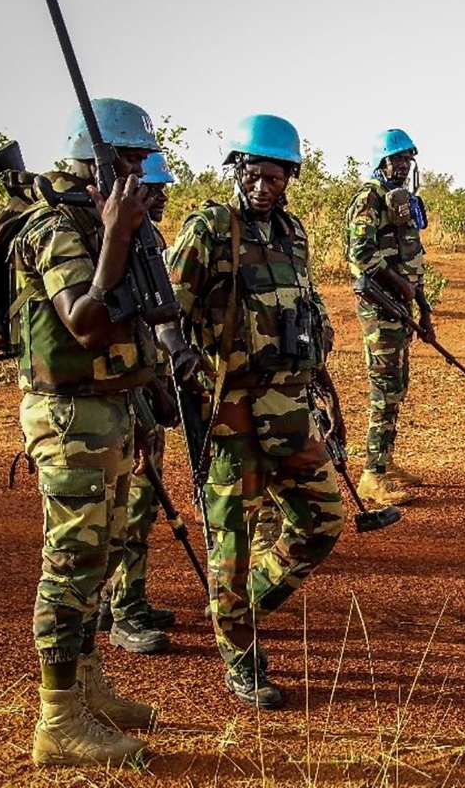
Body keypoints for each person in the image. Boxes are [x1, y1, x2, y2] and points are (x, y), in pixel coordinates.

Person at [158, 114, 345, 709]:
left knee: (322, 521)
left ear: (290, 177)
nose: (265, 184)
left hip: (290, 405)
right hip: (230, 410)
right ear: (237, 170)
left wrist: (324, 381)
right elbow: (165, 310)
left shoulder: (293, 233)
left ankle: (237, 607)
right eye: (254, 172)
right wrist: (181, 354)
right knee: (231, 540)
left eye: (276, 175)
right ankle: (240, 651)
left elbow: (305, 312)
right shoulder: (211, 228)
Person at [11, 97, 160, 766]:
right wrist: (118, 234)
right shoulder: (54, 226)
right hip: (69, 414)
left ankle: (88, 684)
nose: (139, 172)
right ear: (93, 158)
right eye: (128, 159)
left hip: (107, 411)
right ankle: (57, 720)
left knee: (99, 560)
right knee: (70, 566)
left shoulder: (97, 218)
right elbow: (84, 321)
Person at [96, 151, 177, 655]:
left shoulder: (150, 238)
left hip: (148, 383)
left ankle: (124, 599)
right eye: (155, 188)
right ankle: (126, 612)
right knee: (133, 504)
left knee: (141, 503)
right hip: (127, 389)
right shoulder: (119, 242)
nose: (162, 196)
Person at [343, 129, 434, 507]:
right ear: (382, 161)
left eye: (407, 160)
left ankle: (385, 461)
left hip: (401, 306)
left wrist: (424, 307)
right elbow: (361, 254)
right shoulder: (369, 198)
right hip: (379, 307)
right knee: (383, 390)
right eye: (397, 159)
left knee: (398, 385)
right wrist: (400, 286)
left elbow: (413, 261)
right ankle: (371, 476)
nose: (402, 166)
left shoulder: (403, 201)